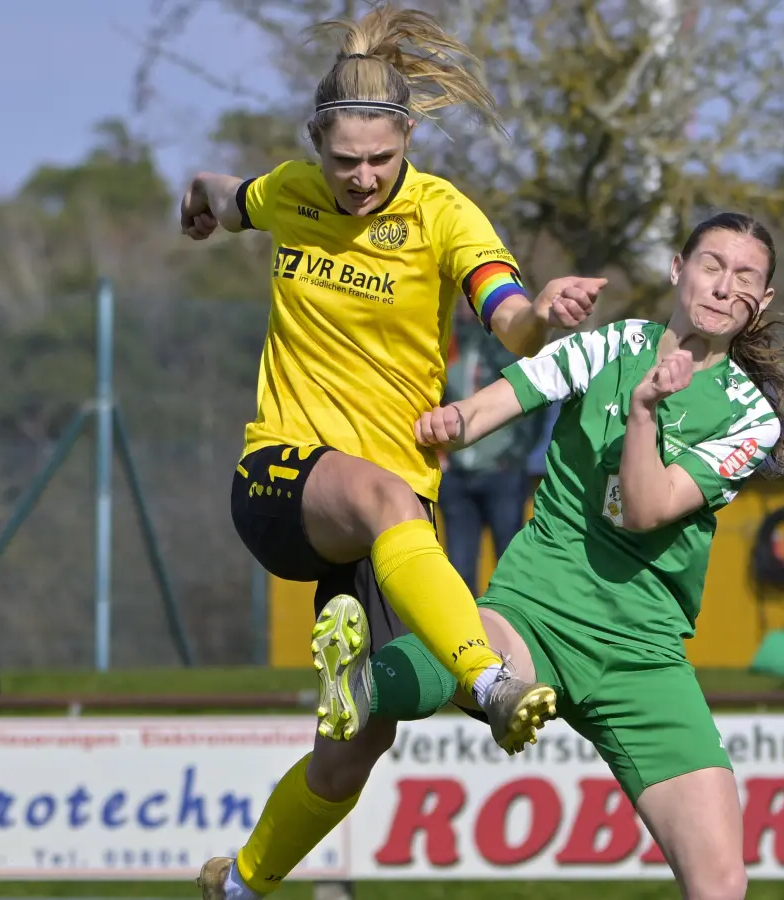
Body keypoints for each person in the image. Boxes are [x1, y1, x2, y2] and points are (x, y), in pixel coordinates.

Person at [202, 212, 784, 900]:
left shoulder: (752, 417)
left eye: (744, 277)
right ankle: (361, 680)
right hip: (537, 610)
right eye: (712, 265)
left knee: (722, 882)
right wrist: (459, 420)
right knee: (467, 659)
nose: (723, 287)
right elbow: (522, 387)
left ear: (764, 303)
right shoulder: (611, 347)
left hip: (645, 656)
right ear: (677, 268)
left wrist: (642, 412)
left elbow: (646, 510)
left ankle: (363, 688)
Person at [186, 7, 602, 899]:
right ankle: (485, 686)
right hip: (281, 478)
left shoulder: (444, 213)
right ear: (318, 144)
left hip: (388, 525)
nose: (363, 177)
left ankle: (238, 882)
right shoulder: (293, 190)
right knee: (387, 506)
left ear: (407, 139)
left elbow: (509, 313)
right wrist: (200, 196)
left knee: (353, 753)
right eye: (345, 161)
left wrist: (545, 316)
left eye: (381, 158)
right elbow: (230, 195)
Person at [438, 299, 550, 593]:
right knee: (458, 572)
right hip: (456, 477)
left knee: (510, 569)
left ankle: (514, 635)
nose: (468, 306)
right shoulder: (444, 344)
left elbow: (535, 404)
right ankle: (463, 638)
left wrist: (516, 455)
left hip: (503, 474)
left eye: (474, 298)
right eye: (462, 298)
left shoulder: (511, 348)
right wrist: (440, 455)